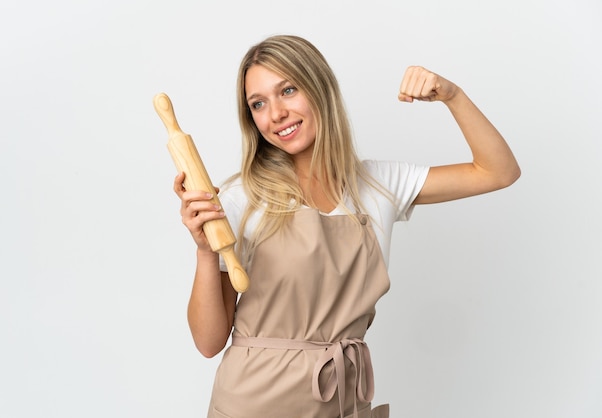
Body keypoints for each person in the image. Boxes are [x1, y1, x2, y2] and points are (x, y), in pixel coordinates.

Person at [172, 35, 520, 418]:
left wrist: (452, 94)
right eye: (258, 104)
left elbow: (498, 172)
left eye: (288, 90)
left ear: (320, 86)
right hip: (253, 403)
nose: (275, 114)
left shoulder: (377, 185)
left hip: (342, 398)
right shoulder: (241, 197)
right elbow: (208, 342)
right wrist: (206, 251)